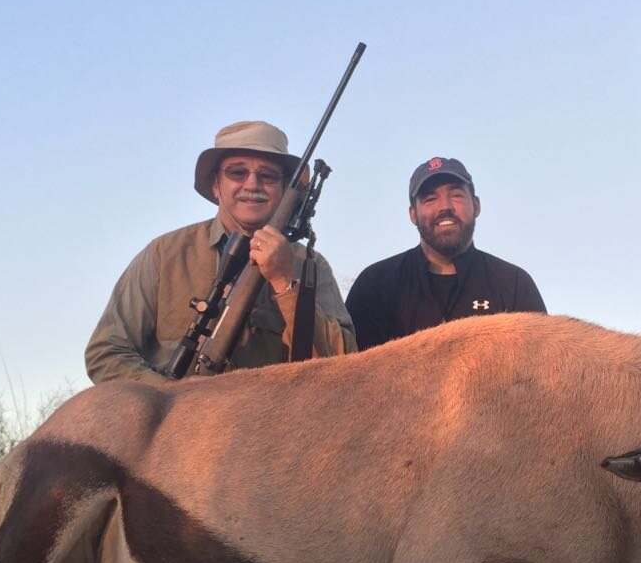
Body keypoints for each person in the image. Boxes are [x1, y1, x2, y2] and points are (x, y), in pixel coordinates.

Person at [86, 120, 355, 385]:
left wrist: (285, 283)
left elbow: (344, 362)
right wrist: (171, 401)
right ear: (215, 185)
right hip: (173, 425)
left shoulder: (310, 265)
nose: (252, 184)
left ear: (285, 190)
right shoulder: (164, 254)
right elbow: (106, 354)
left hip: (271, 424)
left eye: (268, 176)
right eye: (237, 173)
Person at [345, 156, 545, 350]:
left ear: (476, 205)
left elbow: (543, 370)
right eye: (430, 199)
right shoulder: (375, 284)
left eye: (456, 195)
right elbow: (355, 375)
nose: (445, 207)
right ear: (413, 214)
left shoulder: (514, 284)